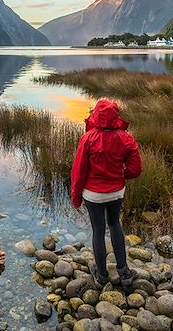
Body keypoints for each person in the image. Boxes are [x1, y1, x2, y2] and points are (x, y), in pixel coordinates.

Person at [71, 98, 142, 287]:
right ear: (115, 116)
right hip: (116, 191)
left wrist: (76, 197)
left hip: (93, 194)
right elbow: (135, 170)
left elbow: (79, 172)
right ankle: (124, 272)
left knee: (98, 230)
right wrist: (120, 175)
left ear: (96, 115)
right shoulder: (126, 138)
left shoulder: (88, 138)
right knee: (115, 225)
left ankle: (101, 276)